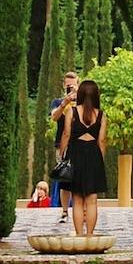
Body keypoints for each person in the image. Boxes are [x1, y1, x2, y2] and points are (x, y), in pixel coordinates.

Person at [58, 80, 108, 237]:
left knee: (77, 199)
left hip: (75, 154)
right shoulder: (101, 115)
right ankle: (90, 235)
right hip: (93, 155)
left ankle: (79, 235)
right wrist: (101, 159)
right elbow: (101, 140)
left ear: (79, 95)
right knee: (92, 200)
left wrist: (62, 153)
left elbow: (66, 134)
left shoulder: (72, 112)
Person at [48, 71, 79, 222]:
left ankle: (82, 210)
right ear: (63, 85)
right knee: (64, 177)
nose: (70, 88)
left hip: (81, 144)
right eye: (67, 86)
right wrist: (65, 102)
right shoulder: (57, 102)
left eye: (72, 86)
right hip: (62, 145)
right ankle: (65, 211)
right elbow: (54, 116)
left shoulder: (83, 102)